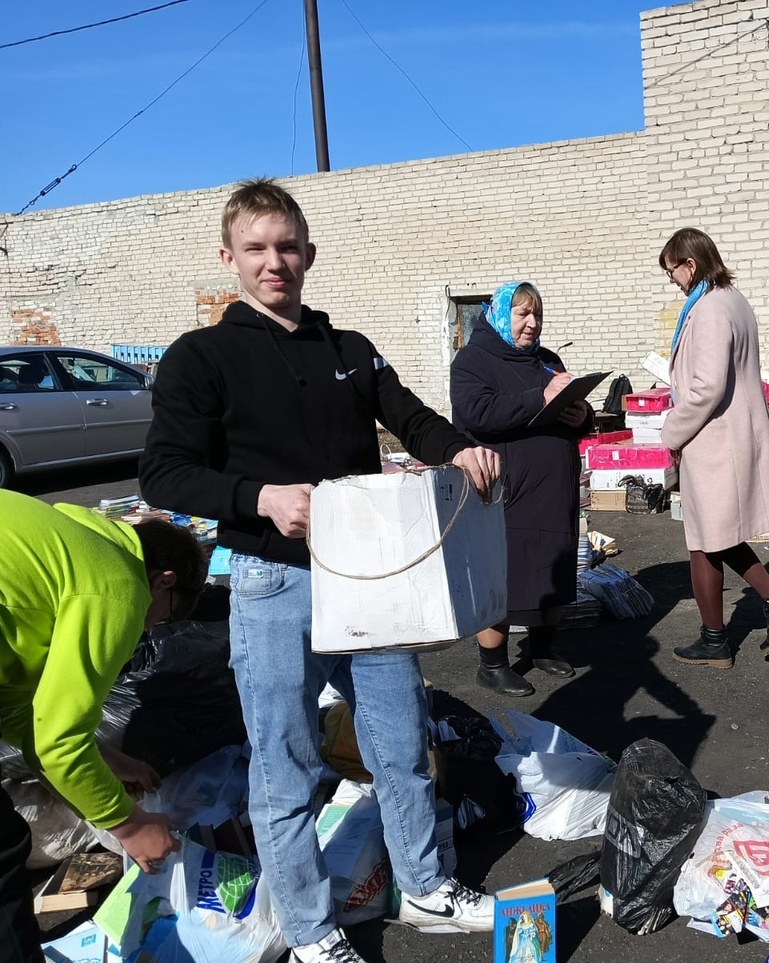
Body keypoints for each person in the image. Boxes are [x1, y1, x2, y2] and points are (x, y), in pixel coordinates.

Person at [139, 178, 502, 963]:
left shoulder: (349, 348)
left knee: (400, 739)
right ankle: (309, 928)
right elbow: (163, 474)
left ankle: (428, 884)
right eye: (259, 249)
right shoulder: (202, 357)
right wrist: (258, 496)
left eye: (289, 247)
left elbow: (411, 415)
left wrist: (457, 447)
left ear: (310, 252)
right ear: (229, 258)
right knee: (286, 761)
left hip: (370, 580)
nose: (276, 263)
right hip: (275, 582)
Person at [0, 489, 207, 963]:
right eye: (163, 617)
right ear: (162, 581)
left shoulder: (71, 544)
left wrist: (110, 758)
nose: (149, 628)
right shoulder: (116, 584)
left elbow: (16, 710)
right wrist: (131, 826)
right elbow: (58, 741)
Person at [657, 228, 769, 668]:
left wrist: (671, 433)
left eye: (673, 273)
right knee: (718, 537)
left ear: (691, 265)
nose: (673, 282)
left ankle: (716, 640)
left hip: (712, 439)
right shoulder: (734, 301)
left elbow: (705, 388)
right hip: (730, 435)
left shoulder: (709, 310)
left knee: (704, 540)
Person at [450, 281, 592, 697]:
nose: (532, 324)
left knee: (554, 565)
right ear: (499, 316)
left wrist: (581, 415)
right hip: (508, 490)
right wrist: (539, 398)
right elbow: (477, 413)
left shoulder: (547, 359)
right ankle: (492, 665)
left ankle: (542, 648)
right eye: (522, 315)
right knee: (503, 573)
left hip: (555, 490)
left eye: (537, 316)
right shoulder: (472, 360)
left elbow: (572, 413)